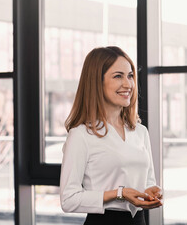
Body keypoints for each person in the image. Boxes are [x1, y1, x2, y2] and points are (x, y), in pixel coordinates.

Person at [60, 46, 163, 225]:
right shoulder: (81, 135)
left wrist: (151, 192)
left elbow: (148, 182)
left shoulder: (140, 131)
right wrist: (119, 194)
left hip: (138, 221)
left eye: (130, 75)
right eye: (118, 76)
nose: (128, 84)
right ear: (96, 82)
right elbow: (68, 200)